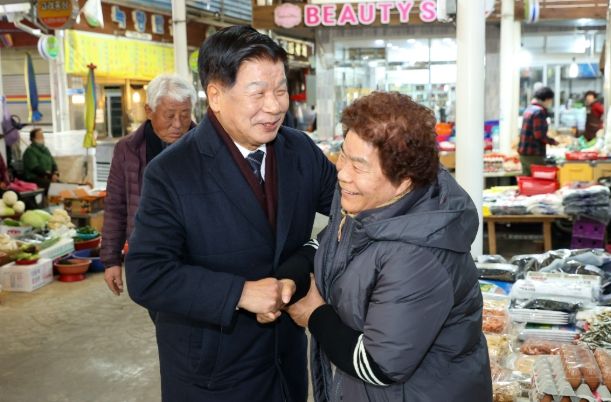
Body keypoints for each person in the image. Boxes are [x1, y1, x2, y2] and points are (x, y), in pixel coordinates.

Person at [124, 25, 336, 402]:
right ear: (216, 96)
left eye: (280, 90)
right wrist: (239, 293)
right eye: (258, 93)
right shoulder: (173, 171)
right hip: (211, 373)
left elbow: (352, 209)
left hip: (285, 363)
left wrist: (305, 259)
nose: (275, 106)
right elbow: (146, 274)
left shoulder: (300, 151)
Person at [277, 91, 492, 402]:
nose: (342, 173)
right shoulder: (366, 199)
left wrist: (314, 314)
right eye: (343, 155)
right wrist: (295, 270)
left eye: (359, 166)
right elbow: (333, 242)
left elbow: (379, 365)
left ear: (405, 179)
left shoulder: (418, 257)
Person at [101, 74, 197, 297]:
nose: (178, 124)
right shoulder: (127, 149)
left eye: (185, 115)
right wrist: (111, 260)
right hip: (149, 253)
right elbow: (116, 206)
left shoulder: (205, 146)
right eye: (169, 115)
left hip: (196, 256)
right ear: (149, 110)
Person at [518, 86, 558, 176]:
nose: (550, 103)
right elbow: (539, 135)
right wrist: (552, 142)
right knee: (538, 180)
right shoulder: (539, 112)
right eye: (551, 100)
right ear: (547, 99)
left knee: (527, 180)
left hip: (524, 153)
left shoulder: (529, 109)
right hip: (534, 154)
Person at [22, 128, 59, 194]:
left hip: (47, 176)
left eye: (43, 135)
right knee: (53, 187)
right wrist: (49, 175)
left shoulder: (45, 149)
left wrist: (55, 173)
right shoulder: (30, 151)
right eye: (40, 136)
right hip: (34, 178)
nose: (43, 137)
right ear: (33, 138)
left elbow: (53, 163)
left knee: (62, 185)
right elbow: (35, 168)